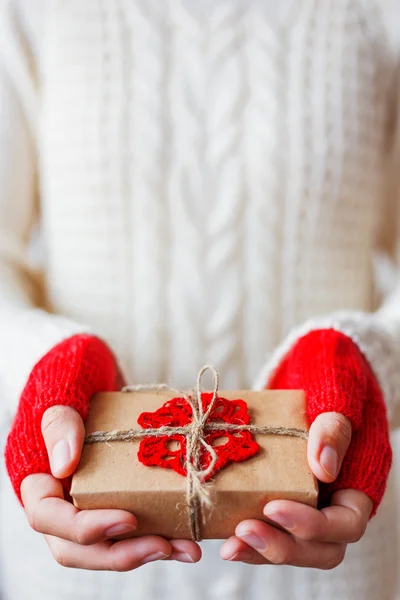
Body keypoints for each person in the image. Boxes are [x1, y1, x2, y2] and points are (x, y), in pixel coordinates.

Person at [0, 0, 399, 599]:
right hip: (71, 566)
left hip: (335, 552)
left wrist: (366, 361)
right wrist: (45, 365)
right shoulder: (33, 12)